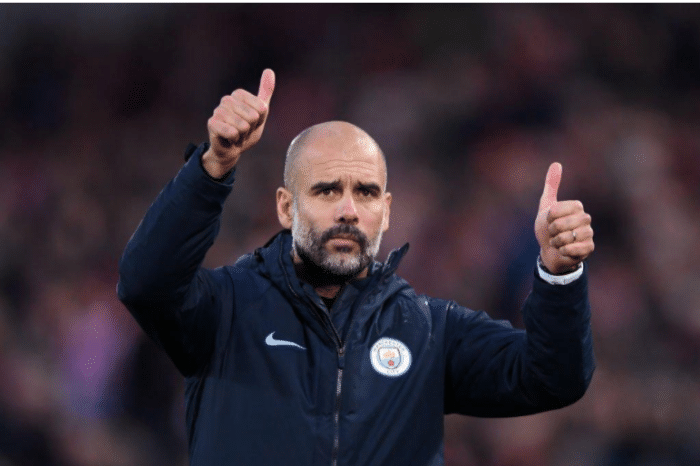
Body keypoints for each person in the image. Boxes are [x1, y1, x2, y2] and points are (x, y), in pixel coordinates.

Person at [117, 69, 595, 466]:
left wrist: (559, 276)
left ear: (385, 213)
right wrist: (212, 168)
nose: (348, 210)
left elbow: (554, 377)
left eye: (365, 193)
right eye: (327, 190)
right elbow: (145, 284)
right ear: (286, 207)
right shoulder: (227, 309)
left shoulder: (429, 332)